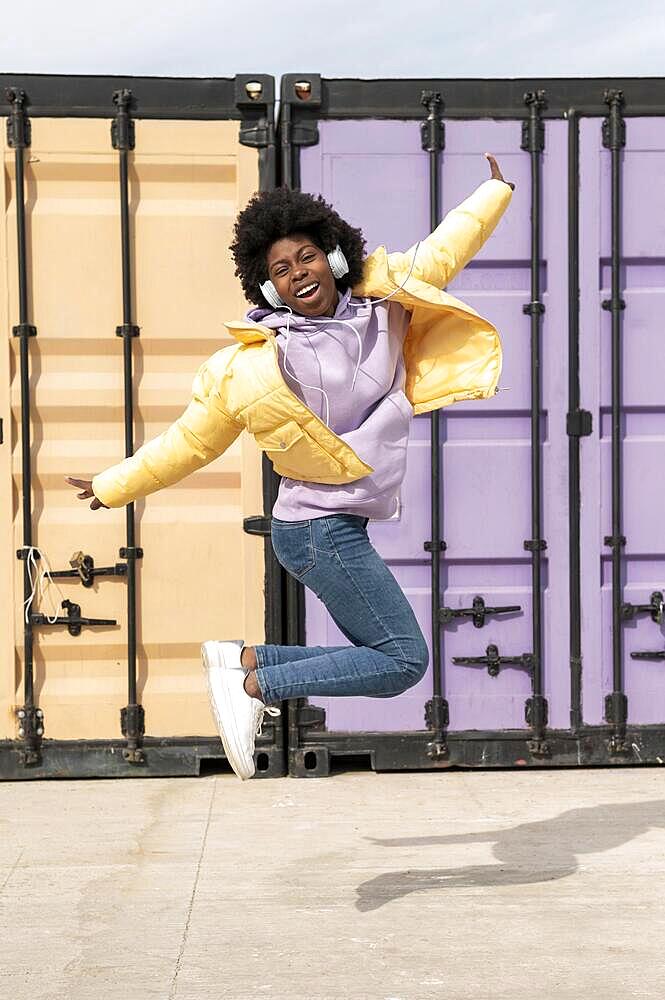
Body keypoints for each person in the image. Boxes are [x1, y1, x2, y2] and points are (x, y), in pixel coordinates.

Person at [66, 152, 514, 780]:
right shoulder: (254, 365)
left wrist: (495, 191)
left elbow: (444, 252)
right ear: (267, 286)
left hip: (340, 525)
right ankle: (254, 684)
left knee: (390, 654)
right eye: (280, 269)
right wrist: (116, 484)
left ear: (332, 255)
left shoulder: (382, 301)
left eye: (306, 256)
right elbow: (191, 441)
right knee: (402, 659)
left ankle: (242, 661)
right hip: (312, 529)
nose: (298, 273)